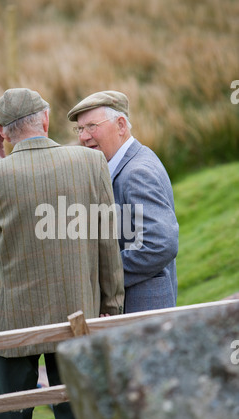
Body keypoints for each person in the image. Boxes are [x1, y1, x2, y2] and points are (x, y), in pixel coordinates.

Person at [0, 88, 124, 419]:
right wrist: (111, 307)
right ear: (46, 120)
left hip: (10, 318)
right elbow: (106, 242)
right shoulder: (91, 163)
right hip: (77, 312)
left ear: (1, 131)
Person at [67, 90, 179, 313]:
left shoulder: (137, 172)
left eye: (92, 126)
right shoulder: (123, 164)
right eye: (80, 129)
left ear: (120, 126)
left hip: (143, 313)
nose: (83, 136)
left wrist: (105, 278)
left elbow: (159, 244)